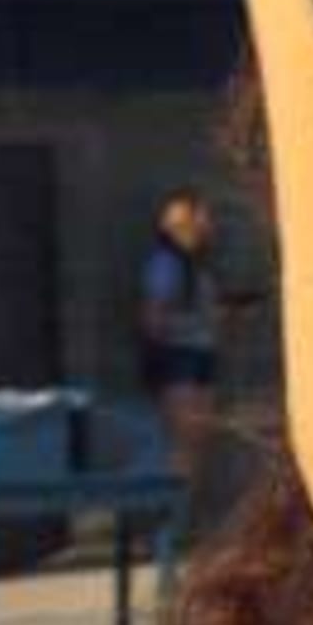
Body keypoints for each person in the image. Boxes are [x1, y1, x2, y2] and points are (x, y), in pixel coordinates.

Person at [138, 189, 223, 481]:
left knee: (199, 440)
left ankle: (185, 510)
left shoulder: (197, 266)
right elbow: (153, 319)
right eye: (199, 218)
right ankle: (175, 516)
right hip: (178, 356)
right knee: (183, 440)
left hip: (201, 352)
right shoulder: (167, 263)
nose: (207, 225)